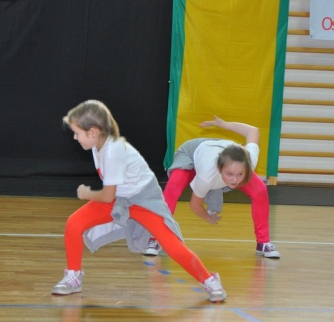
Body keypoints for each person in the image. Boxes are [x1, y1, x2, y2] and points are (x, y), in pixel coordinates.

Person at [52, 100, 226, 303]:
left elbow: (107, 196)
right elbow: (112, 196)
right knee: (74, 223)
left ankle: (209, 279)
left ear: (93, 132)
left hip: (144, 199)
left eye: (77, 133)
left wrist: (86, 193)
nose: (75, 137)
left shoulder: (113, 152)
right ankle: (74, 276)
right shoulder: (97, 145)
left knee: (171, 244)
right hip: (120, 197)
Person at [145, 116, 280, 259]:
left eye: (240, 174)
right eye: (229, 174)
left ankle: (263, 243)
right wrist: (207, 217)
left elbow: (253, 131)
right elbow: (195, 205)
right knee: (173, 187)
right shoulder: (207, 175)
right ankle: (155, 238)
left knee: (260, 190)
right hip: (191, 153)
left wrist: (225, 124)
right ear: (220, 169)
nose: (235, 180)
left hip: (221, 152)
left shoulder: (249, 160)